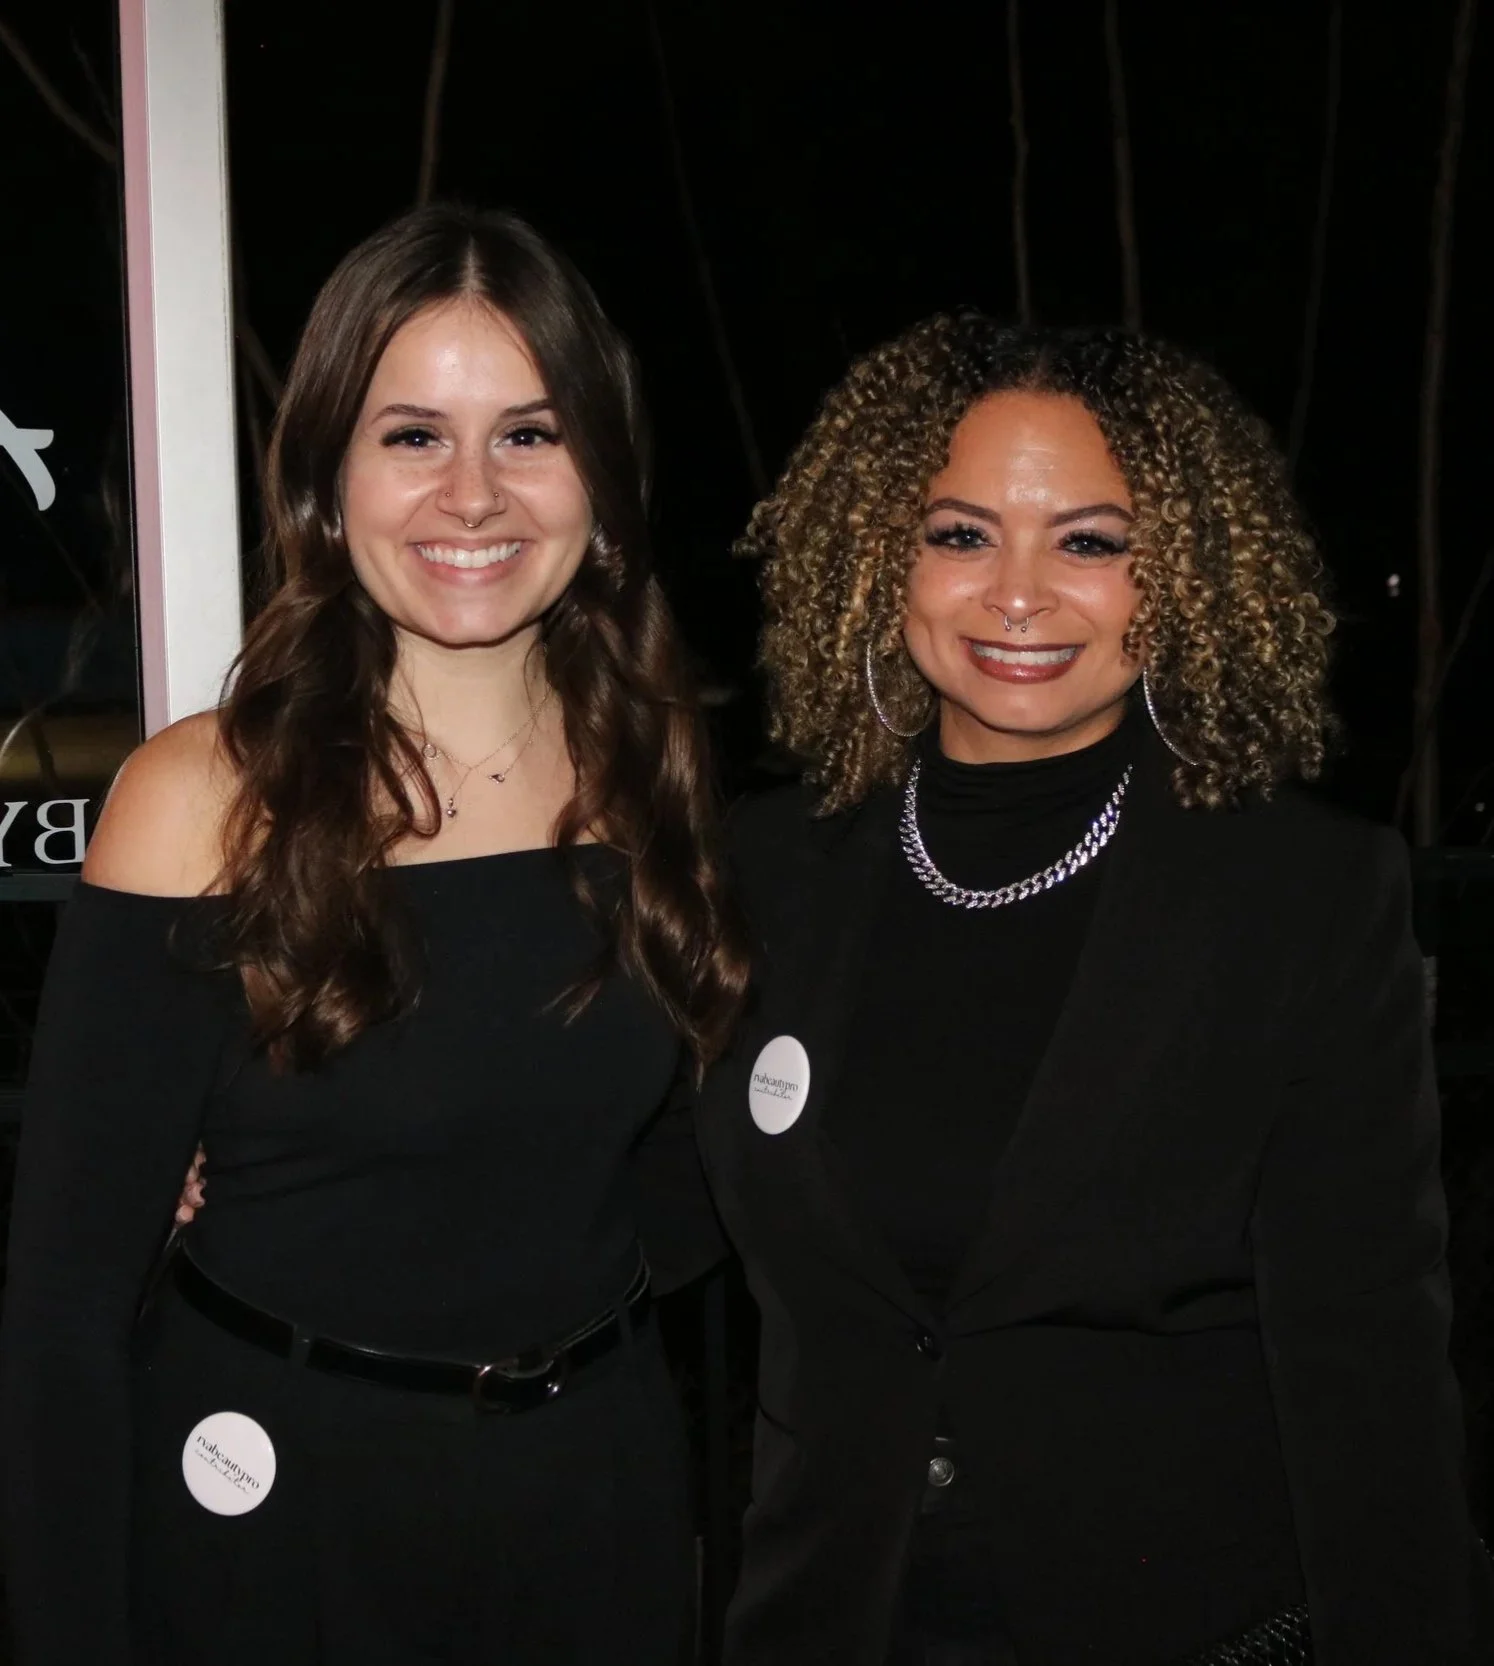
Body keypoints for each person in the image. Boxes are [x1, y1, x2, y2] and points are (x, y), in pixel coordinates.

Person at [0, 204, 746, 1666]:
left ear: (601, 473)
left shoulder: (659, 777)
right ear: (328, 482)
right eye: (414, 435)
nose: (473, 495)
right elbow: (65, 1318)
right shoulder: (203, 797)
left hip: (591, 1505)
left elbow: (680, 1184)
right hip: (277, 1521)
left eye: (528, 434)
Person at [695, 315, 1493, 1665]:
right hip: (834, 1617)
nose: (1016, 593)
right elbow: (628, 1196)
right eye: (957, 533)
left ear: (1175, 573)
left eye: (1087, 540)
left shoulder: (1302, 895)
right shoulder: (764, 872)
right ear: (878, 558)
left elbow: (1368, 1365)